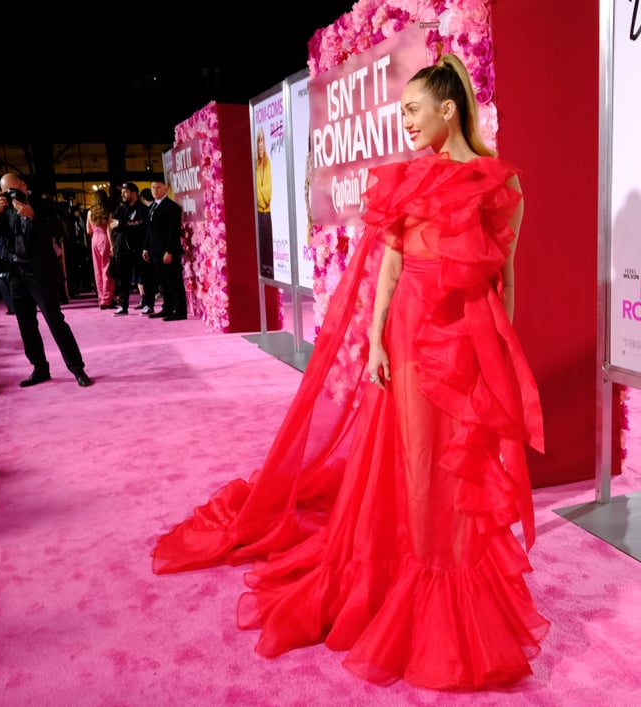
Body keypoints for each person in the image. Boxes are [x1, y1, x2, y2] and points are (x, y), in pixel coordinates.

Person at [151, 53, 546, 690]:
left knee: (463, 461)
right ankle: (410, 570)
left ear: (449, 109)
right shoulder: (407, 178)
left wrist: (502, 347)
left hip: (469, 339)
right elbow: (390, 266)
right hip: (413, 337)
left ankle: (452, 569)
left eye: (413, 111)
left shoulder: (501, 185)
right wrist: (376, 338)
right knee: (417, 456)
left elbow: (506, 274)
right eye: (402, 112)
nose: (407, 123)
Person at [0, 173, 93, 387]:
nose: (9, 195)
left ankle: (77, 368)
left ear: (23, 186)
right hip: (16, 272)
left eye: (12, 189)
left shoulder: (43, 205)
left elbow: (57, 231)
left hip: (40, 272)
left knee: (55, 320)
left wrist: (33, 216)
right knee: (26, 324)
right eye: (5, 192)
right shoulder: (3, 209)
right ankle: (39, 368)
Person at [142, 179, 187, 320]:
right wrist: (145, 248)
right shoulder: (152, 207)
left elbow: (173, 231)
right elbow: (148, 230)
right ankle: (167, 308)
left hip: (168, 251)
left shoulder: (171, 207)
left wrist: (169, 251)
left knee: (173, 282)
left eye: (158, 187)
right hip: (154, 251)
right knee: (163, 283)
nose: (155, 190)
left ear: (166, 189)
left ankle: (180, 311)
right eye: (153, 187)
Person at [111, 183, 151, 315]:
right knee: (123, 279)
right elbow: (113, 226)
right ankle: (123, 306)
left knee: (145, 278)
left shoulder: (143, 209)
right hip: (122, 248)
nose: (123, 194)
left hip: (140, 248)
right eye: (122, 192)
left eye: (126, 192)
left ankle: (148, 304)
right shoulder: (119, 209)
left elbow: (141, 225)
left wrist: (123, 224)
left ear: (134, 193)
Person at [87, 189, 116, 309]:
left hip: (94, 239)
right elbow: (109, 229)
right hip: (104, 239)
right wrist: (112, 245)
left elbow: (88, 230)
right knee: (107, 269)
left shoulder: (90, 212)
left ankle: (101, 298)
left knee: (97, 270)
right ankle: (107, 299)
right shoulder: (107, 211)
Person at [255, 125, 274, 278]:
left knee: (268, 253)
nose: (260, 144)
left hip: (266, 214)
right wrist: (260, 194)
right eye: (258, 141)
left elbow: (267, 194)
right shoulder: (255, 167)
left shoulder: (267, 163)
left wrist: (259, 193)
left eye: (262, 140)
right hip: (258, 216)